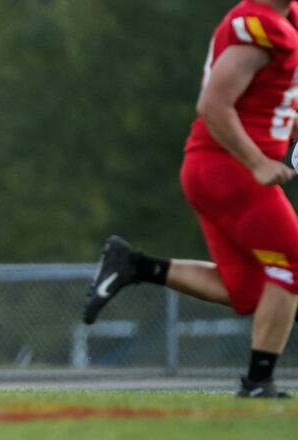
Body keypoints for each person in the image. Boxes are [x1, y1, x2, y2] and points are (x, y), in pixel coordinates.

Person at [84, 0, 298, 398]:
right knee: (293, 263)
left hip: (215, 168)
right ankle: (257, 383)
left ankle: (134, 266)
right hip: (230, 167)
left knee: (247, 289)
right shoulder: (261, 26)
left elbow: (266, 103)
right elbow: (213, 104)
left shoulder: (285, 21)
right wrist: (257, 162)